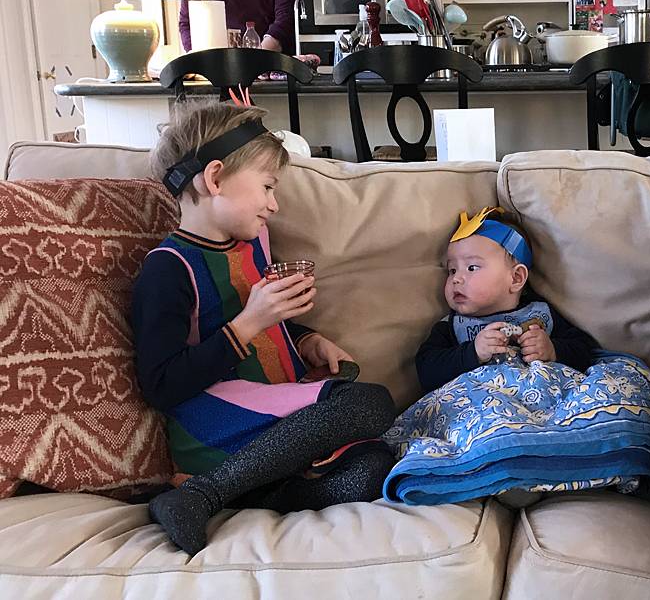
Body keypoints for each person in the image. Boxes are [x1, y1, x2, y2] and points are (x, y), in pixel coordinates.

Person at [133, 101, 396, 556]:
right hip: (213, 423)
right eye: (268, 187)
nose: (274, 204)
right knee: (372, 402)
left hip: (268, 431)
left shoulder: (252, 246)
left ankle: (251, 490)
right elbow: (161, 385)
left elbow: (271, 329)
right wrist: (250, 322)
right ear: (214, 179)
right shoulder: (168, 269)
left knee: (376, 465)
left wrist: (306, 339)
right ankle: (201, 493)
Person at [414, 207, 599, 393]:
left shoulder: (542, 314)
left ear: (516, 278)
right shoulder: (451, 326)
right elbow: (426, 372)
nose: (456, 279)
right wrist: (473, 353)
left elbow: (585, 352)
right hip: (483, 406)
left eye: (471, 267)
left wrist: (553, 350)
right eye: (452, 270)